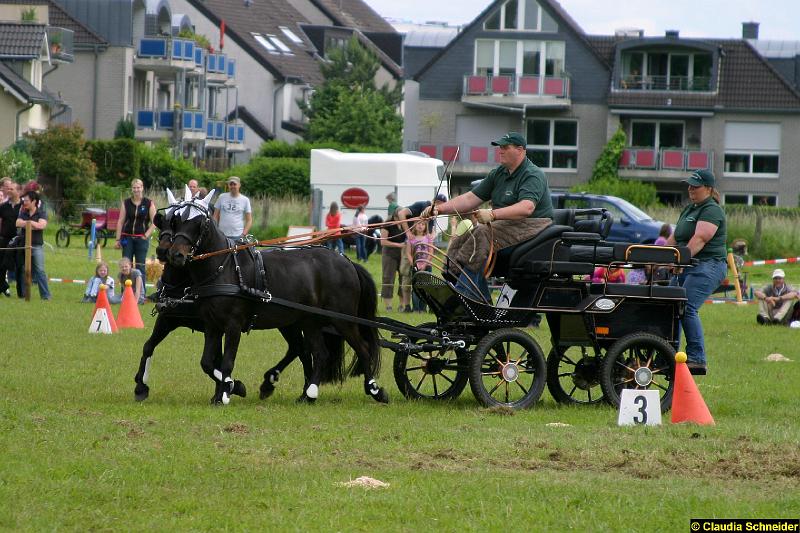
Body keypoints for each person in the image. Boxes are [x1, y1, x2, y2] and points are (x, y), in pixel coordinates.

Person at [423, 132, 554, 301]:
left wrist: (492, 214)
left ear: (520, 150)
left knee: (481, 233)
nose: (500, 151)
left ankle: (463, 294)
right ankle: (460, 285)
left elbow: (526, 208)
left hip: (533, 224)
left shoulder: (533, 174)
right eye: (500, 147)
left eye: (505, 147)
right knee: (462, 237)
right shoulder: (499, 173)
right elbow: (470, 198)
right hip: (506, 225)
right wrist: (439, 209)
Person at [667, 169, 727, 376]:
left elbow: (699, 240)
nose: (691, 188)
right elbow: (674, 239)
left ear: (709, 189)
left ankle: (697, 359)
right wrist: (656, 259)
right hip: (688, 263)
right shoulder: (689, 209)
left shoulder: (712, 210)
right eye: (690, 185)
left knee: (685, 305)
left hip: (708, 264)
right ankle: (666, 351)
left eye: (696, 186)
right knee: (668, 305)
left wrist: (680, 261)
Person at [115, 178, 156, 276]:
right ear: (132, 189)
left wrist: (146, 235)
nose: (136, 190)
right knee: (126, 265)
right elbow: (120, 221)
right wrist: (117, 239)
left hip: (141, 239)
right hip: (127, 238)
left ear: (142, 188)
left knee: (140, 266)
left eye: (138, 187)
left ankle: (141, 291)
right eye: (134, 188)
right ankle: (125, 290)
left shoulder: (149, 203)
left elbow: (155, 222)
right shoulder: (126, 203)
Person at [15, 190, 51, 300]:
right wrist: (32, 224)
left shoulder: (41, 213)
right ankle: (24, 295)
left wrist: (28, 223)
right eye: (23, 200)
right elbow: (17, 223)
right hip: (24, 245)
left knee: (40, 271)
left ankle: (45, 296)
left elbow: (42, 225)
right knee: (23, 269)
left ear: (34, 201)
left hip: (37, 246)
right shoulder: (23, 212)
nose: (24, 202)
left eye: (26, 200)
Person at [380, 207, 411, 312]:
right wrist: (398, 245)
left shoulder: (405, 224)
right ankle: (388, 306)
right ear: (395, 216)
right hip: (389, 254)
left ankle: (401, 305)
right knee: (388, 278)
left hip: (402, 254)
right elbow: (383, 242)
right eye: (399, 218)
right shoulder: (387, 224)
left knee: (403, 278)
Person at [405, 219, 435, 312]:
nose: (420, 226)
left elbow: (431, 252)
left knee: (425, 287)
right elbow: (408, 253)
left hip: (427, 267)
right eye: (418, 224)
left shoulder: (428, 238)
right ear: (414, 226)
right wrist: (413, 263)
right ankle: (416, 309)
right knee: (416, 288)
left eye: (422, 224)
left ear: (425, 226)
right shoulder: (411, 239)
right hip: (415, 267)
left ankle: (423, 308)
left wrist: (425, 264)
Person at [0, 177, 21, 297]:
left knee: (19, 266)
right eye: (8, 189)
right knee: (2, 266)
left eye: (11, 189)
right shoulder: (3, 207)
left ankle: (21, 292)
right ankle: (4, 287)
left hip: (19, 240)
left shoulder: (23, 206)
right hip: (5, 239)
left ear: (17, 191)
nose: (9, 191)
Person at [213, 176, 252, 241]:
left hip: (237, 236)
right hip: (222, 235)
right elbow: (215, 216)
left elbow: (249, 220)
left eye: (235, 184)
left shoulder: (245, 200)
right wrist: (215, 230)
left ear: (239, 185)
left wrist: (243, 234)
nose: (233, 186)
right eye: (231, 184)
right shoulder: (222, 197)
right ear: (228, 185)